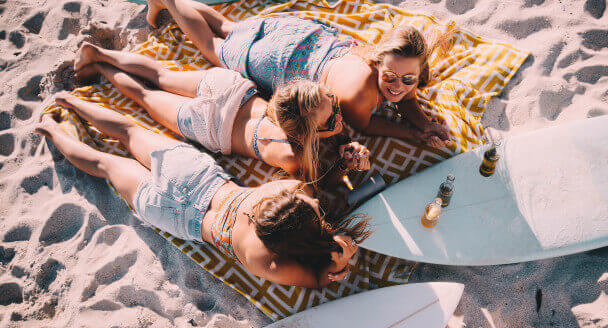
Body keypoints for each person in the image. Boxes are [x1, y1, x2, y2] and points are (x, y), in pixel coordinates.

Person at [36, 93, 372, 287]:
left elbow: (309, 197)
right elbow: (320, 278)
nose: (312, 201)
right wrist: (339, 262)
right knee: (104, 164)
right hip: (174, 215)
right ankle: (51, 129)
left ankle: (65, 103)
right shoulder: (263, 260)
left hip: (195, 177)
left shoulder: (287, 190)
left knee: (127, 131)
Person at [137, 0, 452, 147]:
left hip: (302, 35)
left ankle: (167, 2)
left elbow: (405, 99)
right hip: (277, 61)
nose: (398, 87)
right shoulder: (360, 95)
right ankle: (168, 2)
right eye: (390, 78)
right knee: (212, 46)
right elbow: (366, 126)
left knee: (228, 27)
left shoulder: (397, 65)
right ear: (379, 63)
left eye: (408, 80)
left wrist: (425, 122)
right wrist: (412, 134)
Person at [73, 43, 371, 182]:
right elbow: (322, 180)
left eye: (334, 104)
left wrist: (340, 139)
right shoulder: (292, 154)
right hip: (209, 124)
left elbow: (327, 132)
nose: (340, 116)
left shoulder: (297, 107)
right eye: (332, 116)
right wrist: (346, 165)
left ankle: (99, 53)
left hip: (230, 89)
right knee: (145, 95)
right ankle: (100, 67)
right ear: (306, 132)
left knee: (161, 76)